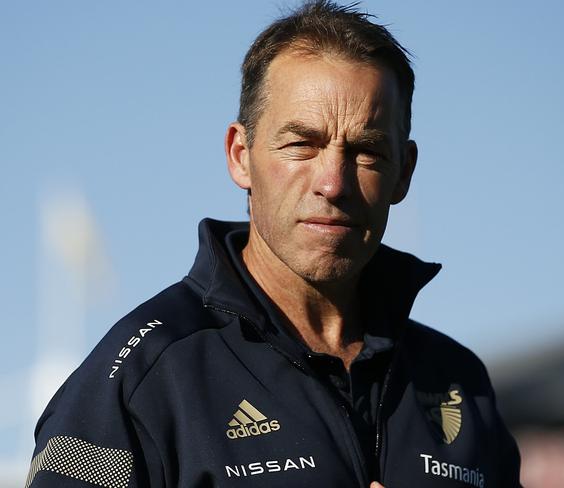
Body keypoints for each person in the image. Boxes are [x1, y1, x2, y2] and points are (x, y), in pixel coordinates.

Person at [25, 1, 521, 487]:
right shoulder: (140, 380)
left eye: (367, 151)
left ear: (404, 172)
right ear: (241, 156)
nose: (333, 183)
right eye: (302, 144)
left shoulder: (459, 381)